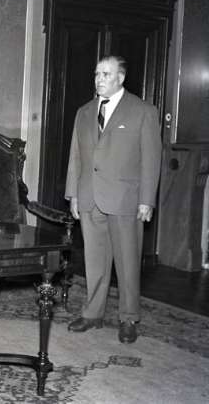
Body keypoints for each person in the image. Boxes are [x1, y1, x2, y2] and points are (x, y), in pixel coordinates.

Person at [65, 55, 162, 344]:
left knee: (128, 262)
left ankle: (128, 318)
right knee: (94, 260)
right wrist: (73, 194)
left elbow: (151, 159)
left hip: (125, 199)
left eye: (106, 74)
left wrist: (147, 200)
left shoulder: (143, 111)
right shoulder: (84, 112)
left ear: (121, 78)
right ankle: (92, 313)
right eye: (97, 74)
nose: (99, 79)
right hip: (89, 196)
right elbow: (75, 156)